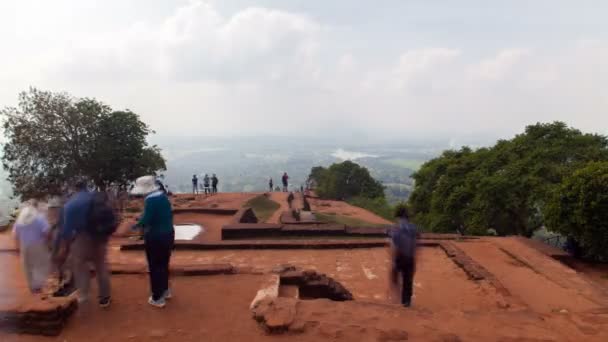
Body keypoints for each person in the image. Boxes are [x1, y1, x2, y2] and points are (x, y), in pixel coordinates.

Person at [57, 180, 114, 307]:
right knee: (101, 267)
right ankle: (105, 298)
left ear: (74, 188)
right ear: (87, 187)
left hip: (81, 238)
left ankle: (83, 296)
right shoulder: (96, 199)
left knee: (80, 267)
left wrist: (64, 248)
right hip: (100, 238)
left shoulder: (70, 204)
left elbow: (66, 231)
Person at [131, 176, 175, 308]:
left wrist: (135, 226)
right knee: (163, 263)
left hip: (155, 237)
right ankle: (165, 290)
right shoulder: (162, 196)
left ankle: (157, 297)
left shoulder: (150, 200)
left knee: (155, 266)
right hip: (168, 234)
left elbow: (147, 219)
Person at [13, 202, 51, 294]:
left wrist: (17, 247)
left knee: (27, 267)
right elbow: (47, 231)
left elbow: (15, 235)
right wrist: (47, 242)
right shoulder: (40, 218)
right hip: (38, 245)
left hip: (24, 246)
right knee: (39, 266)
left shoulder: (20, 219)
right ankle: (38, 286)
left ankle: (32, 287)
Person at [389, 205, 417, 307]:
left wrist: (393, 260)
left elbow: (394, 245)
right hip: (410, 257)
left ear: (399, 217)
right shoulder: (413, 227)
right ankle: (406, 302)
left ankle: (396, 295)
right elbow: (415, 244)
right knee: (408, 280)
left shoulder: (396, 228)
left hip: (400, 256)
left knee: (395, 276)